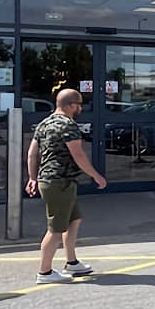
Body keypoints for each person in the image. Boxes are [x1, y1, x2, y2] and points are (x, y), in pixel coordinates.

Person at [25, 88, 107, 284]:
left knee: (74, 220)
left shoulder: (44, 123)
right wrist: (96, 176)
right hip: (59, 182)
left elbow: (31, 154)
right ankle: (44, 272)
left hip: (53, 181)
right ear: (71, 105)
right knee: (55, 228)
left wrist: (32, 178)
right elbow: (78, 155)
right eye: (78, 105)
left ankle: (72, 262)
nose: (80, 108)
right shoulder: (68, 125)